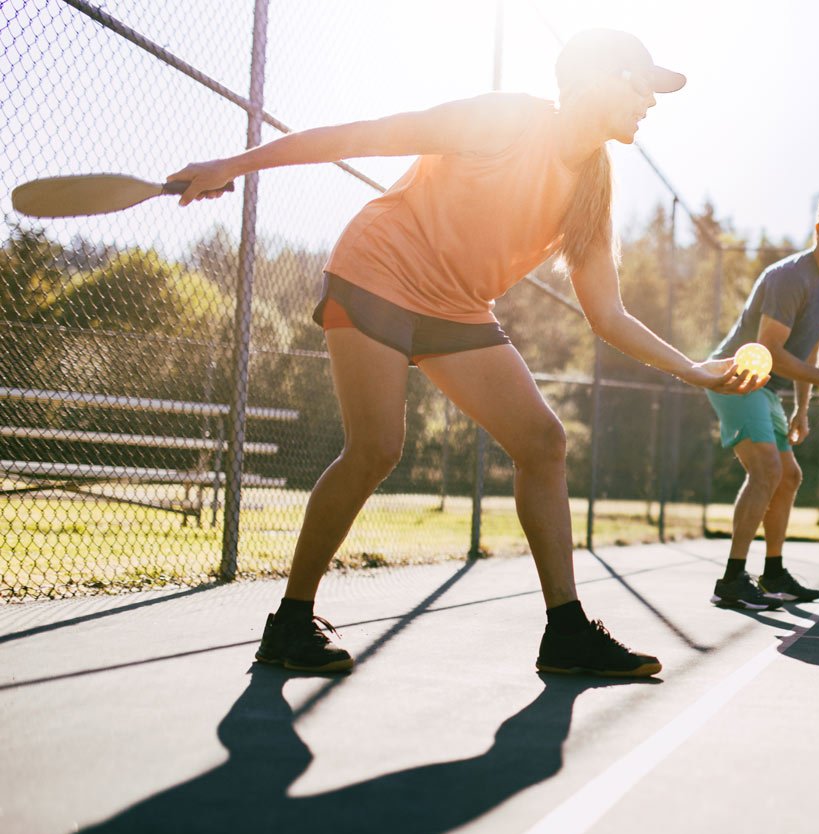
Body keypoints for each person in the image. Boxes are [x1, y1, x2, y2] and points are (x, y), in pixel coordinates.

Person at [169, 29, 765, 678]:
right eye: (643, 85)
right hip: (380, 268)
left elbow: (608, 315)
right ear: (601, 79)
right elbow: (365, 134)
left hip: (455, 306)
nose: (650, 102)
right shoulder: (508, 120)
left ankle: (565, 633)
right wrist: (233, 164)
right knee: (376, 449)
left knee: (542, 442)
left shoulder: (592, 186)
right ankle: (290, 622)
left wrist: (694, 369)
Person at [703, 193, 819, 609]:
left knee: (789, 477)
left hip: (766, 387)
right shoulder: (791, 276)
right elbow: (770, 350)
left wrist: (803, 407)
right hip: (736, 377)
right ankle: (732, 580)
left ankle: (773, 574)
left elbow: (810, 349)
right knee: (766, 470)